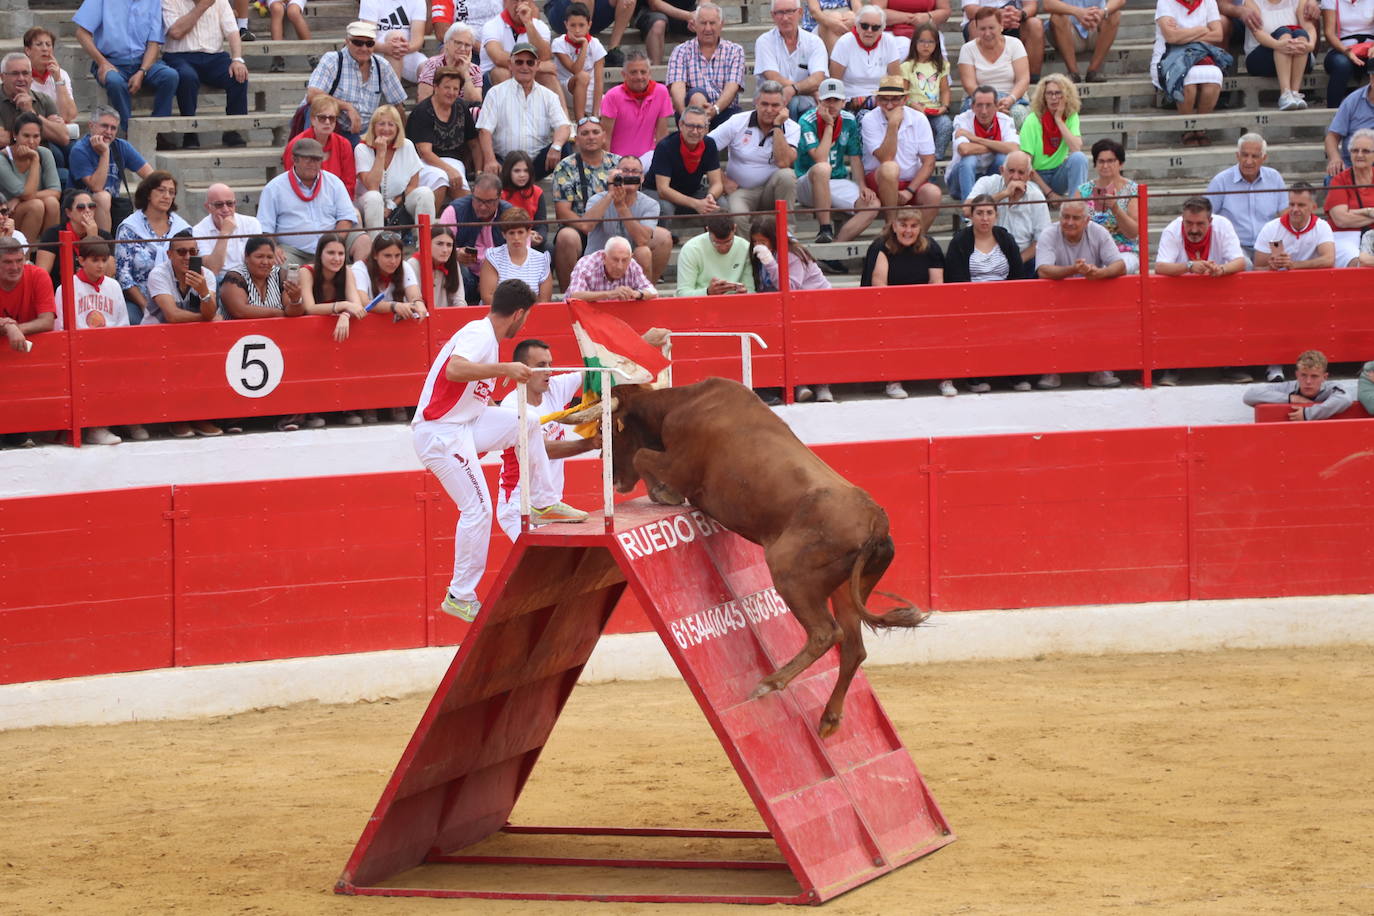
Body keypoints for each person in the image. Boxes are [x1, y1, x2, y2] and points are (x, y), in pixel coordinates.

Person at [413, 277, 588, 621]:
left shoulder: (486, 338)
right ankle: (460, 595)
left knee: (528, 421)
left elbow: (468, 391)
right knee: (478, 510)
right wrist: (503, 368)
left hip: (462, 426)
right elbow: (455, 369)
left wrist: (495, 398)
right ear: (519, 314)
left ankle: (542, 501)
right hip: (442, 433)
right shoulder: (480, 335)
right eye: (527, 318)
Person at [493, 338, 602, 542]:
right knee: (542, 562)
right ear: (522, 370)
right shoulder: (512, 405)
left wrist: (640, 343)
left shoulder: (554, 388)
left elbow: (599, 370)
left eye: (550, 364)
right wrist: (590, 443)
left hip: (549, 507)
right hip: (520, 505)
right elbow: (543, 449)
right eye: (541, 366)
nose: (549, 371)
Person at [1153, 197, 1245, 386]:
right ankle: (1172, 365)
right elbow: (1160, 267)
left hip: (1219, 287)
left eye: (1200, 224)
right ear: (1182, 219)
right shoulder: (1172, 229)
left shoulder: (1223, 225)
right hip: (1179, 294)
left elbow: (1240, 261)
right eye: (1189, 223)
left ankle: (1232, 364)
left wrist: (1222, 270)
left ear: (1210, 221)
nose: (1194, 229)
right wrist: (1189, 266)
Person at [1035, 197, 1126, 388]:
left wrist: (1101, 273)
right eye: (1065, 217)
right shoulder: (1049, 233)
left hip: (1092, 298)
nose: (1069, 222)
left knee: (1101, 314)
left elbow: (1119, 265)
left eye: (1076, 218)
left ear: (1086, 221)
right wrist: (1074, 270)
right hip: (1056, 299)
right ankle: (1052, 368)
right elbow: (1043, 270)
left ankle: (1099, 368)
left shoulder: (1098, 232)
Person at [861, 207, 944, 399]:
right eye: (903, 225)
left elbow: (937, 283)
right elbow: (878, 285)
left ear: (920, 227)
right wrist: (900, 310)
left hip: (924, 306)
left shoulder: (931, 246)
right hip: (889, 308)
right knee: (893, 327)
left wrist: (922, 309)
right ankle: (893, 380)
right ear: (894, 226)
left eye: (914, 226)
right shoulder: (881, 246)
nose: (908, 230)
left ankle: (944, 378)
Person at [944, 194, 1023, 393]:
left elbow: (1018, 274)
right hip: (970, 304)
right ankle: (976, 377)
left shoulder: (1005, 238)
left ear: (996, 215)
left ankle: (1016, 375)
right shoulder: (960, 241)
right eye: (979, 213)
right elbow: (955, 279)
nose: (984, 218)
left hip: (1005, 302)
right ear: (971, 216)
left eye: (989, 213)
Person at [52, 239, 129, 445]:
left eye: (104, 260)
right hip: (80, 350)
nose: (100, 265)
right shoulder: (66, 288)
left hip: (109, 348)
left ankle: (129, 420)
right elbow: (60, 327)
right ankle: (97, 428)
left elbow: (123, 323)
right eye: (95, 260)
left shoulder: (113, 286)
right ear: (81, 260)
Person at [748, 215, 831, 402]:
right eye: (755, 241)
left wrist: (769, 262)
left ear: (773, 239)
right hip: (790, 307)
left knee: (811, 342)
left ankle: (822, 385)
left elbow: (790, 288)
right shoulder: (760, 254)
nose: (758, 245)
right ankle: (799, 384)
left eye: (763, 241)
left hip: (816, 304)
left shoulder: (793, 253)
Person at [73, 0, 181, 137]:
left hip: (142, 61)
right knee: (115, 81)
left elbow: (154, 43)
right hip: (111, 60)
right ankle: (129, 132)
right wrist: (102, 62)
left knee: (170, 76)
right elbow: (81, 33)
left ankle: (157, 133)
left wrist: (142, 71)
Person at [795, 78, 881, 244]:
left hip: (836, 181)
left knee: (872, 204)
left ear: (844, 102)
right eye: (827, 100)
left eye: (836, 100)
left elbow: (855, 157)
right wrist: (829, 125)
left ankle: (835, 247)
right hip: (807, 183)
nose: (831, 104)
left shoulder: (849, 120)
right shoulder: (807, 120)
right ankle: (825, 229)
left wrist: (863, 186)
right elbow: (820, 158)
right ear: (819, 101)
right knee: (822, 168)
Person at [709, 81, 800, 231]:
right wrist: (722, 179)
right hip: (741, 190)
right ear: (756, 103)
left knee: (787, 175)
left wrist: (777, 126)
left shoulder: (792, 127)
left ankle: (786, 234)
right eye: (764, 104)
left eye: (775, 105)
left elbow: (784, 162)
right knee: (737, 215)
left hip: (772, 190)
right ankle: (747, 252)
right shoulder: (737, 122)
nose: (769, 110)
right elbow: (705, 148)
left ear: (784, 106)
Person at [258, 138, 365, 264]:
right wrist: (273, 248)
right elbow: (265, 228)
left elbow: (346, 218)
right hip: (293, 251)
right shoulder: (274, 187)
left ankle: (360, 281)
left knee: (363, 241)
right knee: (280, 266)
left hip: (334, 242)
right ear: (295, 159)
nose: (313, 163)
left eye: (317, 159)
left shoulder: (334, 182)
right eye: (308, 159)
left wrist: (333, 244)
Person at [475, 42, 572, 181]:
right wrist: (490, 160)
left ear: (537, 65)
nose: (524, 67)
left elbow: (563, 126)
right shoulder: (495, 93)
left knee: (564, 147)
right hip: (506, 163)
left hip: (538, 163)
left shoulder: (549, 96)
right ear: (510, 64)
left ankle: (568, 199)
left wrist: (556, 147)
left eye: (530, 62)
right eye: (519, 62)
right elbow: (484, 130)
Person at [161, 0, 250, 149]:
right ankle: (189, 132)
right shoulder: (169, 1)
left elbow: (232, 31)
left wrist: (237, 59)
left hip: (214, 56)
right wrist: (202, 6)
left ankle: (232, 129)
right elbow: (176, 32)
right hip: (179, 55)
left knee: (238, 74)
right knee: (187, 77)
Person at [861, 76, 942, 231]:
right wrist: (893, 124)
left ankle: (917, 238)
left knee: (934, 193)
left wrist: (909, 191)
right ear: (877, 100)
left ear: (905, 99)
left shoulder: (918, 118)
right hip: (880, 180)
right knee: (890, 168)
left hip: (911, 182)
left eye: (895, 100)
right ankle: (891, 226)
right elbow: (886, 158)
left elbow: (929, 162)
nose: (890, 105)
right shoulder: (869, 119)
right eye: (884, 99)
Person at [304, 21, 407, 141]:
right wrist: (347, 107)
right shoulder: (332, 60)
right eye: (358, 42)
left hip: (362, 133)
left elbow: (398, 104)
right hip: (331, 127)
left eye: (369, 43)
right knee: (317, 110)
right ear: (347, 41)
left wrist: (402, 140)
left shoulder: (382, 65)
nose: (364, 48)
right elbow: (313, 95)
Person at [551, 118, 622, 287]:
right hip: (581, 230)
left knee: (661, 238)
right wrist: (586, 225)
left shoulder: (619, 163)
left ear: (604, 136)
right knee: (566, 237)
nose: (591, 137)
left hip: (616, 227)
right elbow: (562, 212)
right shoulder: (565, 167)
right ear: (576, 140)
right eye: (585, 133)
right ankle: (568, 295)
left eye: (595, 132)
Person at [115, 170, 192, 326]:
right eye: (161, 190)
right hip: (139, 301)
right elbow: (123, 274)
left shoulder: (183, 229)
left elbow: (191, 267)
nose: (167, 196)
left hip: (177, 299)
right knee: (131, 321)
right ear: (148, 193)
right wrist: (145, 306)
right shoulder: (129, 228)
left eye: (171, 192)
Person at [580, 156, 673, 283]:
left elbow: (642, 240)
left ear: (642, 178)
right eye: (625, 171)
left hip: (629, 261)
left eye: (635, 172)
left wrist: (621, 207)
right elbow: (586, 227)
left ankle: (646, 293)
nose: (630, 175)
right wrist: (611, 194)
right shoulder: (597, 199)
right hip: (599, 260)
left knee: (644, 251)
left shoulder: (650, 204)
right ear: (615, 175)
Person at [354, 103, 437, 240]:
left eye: (391, 124)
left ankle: (424, 245)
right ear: (373, 127)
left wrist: (392, 205)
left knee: (425, 193)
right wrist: (381, 153)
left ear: (398, 128)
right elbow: (372, 186)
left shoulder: (407, 146)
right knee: (374, 197)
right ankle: (376, 246)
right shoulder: (362, 149)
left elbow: (413, 185)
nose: (386, 129)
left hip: (398, 203)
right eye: (381, 124)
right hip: (368, 203)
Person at [1152, 0, 1228, 147]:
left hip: (1199, 55)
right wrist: (1202, 29)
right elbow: (1171, 38)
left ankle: (1200, 129)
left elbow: (1218, 35)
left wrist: (1183, 35)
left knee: (1214, 77)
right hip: (1169, 57)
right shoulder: (1165, 2)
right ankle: (1187, 130)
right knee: (1187, 79)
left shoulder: (1208, 1)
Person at [67, 107, 154, 234]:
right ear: (91, 126)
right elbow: (96, 187)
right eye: (104, 126)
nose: (109, 132)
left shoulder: (121, 146)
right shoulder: (80, 150)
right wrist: (105, 153)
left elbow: (151, 176)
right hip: (81, 207)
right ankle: (105, 247)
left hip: (112, 205)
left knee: (157, 192)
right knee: (102, 197)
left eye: (113, 128)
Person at [967, 149, 1049, 277]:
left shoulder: (1036, 196)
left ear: (1030, 175)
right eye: (1011, 171)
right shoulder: (987, 183)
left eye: (1021, 172)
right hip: (981, 259)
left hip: (1021, 259)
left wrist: (1014, 262)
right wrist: (1004, 194)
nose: (1015, 177)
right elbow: (967, 210)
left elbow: (1041, 241)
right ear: (1001, 170)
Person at [1206, 132, 1287, 260]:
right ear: (1237, 156)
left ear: (1264, 158)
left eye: (1255, 156)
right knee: (1245, 266)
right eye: (1245, 155)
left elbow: (1285, 214)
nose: (1249, 161)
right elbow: (1206, 216)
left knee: (1283, 265)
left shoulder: (1274, 178)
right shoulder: (1221, 181)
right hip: (1235, 245)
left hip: (1271, 242)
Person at [410, 68, 478, 213]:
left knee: (460, 185)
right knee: (440, 179)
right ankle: (430, 229)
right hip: (424, 163)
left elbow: (474, 144)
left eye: (455, 88)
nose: (451, 92)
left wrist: (479, 172)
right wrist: (449, 170)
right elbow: (425, 152)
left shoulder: (461, 107)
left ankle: (465, 228)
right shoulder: (423, 111)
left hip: (455, 161)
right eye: (447, 87)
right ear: (435, 87)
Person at [666, 3, 746, 127]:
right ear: (694, 25)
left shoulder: (735, 51)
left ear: (721, 24)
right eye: (703, 23)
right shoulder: (680, 51)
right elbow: (677, 88)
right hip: (689, 113)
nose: (708, 28)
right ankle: (696, 128)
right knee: (697, 95)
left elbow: (732, 88)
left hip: (724, 112)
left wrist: (714, 110)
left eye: (712, 23)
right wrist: (685, 116)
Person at [645, 105, 724, 228]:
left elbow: (717, 183)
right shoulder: (665, 146)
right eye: (690, 126)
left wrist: (710, 197)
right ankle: (663, 242)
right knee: (664, 209)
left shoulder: (709, 144)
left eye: (699, 127)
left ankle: (713, 242)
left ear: (706, 129)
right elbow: (663, 190)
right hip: (656, 191)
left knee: (721, 205)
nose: (695, 131)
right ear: (681, 125)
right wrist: (696, 204)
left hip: (692, 191)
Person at [439, 172, 511, 302]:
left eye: (489, 202)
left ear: (500, 197)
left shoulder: (509, 213)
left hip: (500, 275)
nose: (482, 207)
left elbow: (522, 251)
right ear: (472, 193)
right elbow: (438, 244)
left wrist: (490, 278)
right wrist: (455, 254)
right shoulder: (455, 210)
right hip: (467, 274)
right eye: (478, 200)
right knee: (456, 267)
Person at [958, 6, 1031, 128]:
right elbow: (969, 84)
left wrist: (1009, 100)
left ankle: (1015, 147)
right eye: (982, 29)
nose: (987, 33)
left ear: (1001, 26)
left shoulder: (1015, 44)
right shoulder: (967, 49)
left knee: (1018, 114)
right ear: (976, 28)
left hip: (1012, 98)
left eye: (991, 28)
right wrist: (989, 104)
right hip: (978, 99)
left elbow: (1023, 80)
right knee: (972, 115)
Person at [756, 0, 829, 121]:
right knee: (794, 102)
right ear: (772, 16)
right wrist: (808, 90)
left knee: (800, 103)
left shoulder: (814, 42)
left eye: (790, 12)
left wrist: (793, 89)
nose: (785, 18)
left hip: (807, 101)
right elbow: (774, 78)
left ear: (800, 12)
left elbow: (818, 79)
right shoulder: (764, 41)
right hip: (772, 99)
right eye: (779, 12)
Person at [0, 52, 71, 176]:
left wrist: (30, 111)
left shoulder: (43, 100)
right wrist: (45, 129)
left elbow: (63, 138)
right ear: (2, 77)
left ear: (31, 76)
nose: (21, 78)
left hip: (41, 164)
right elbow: (2, 139)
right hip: (7, 166)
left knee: (65, 174)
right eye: (15, 74)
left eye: (26, 73)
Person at [1021, 74, 1089, 203]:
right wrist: (1050, 193)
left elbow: (1076, 147)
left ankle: (1076, 205)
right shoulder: (1032, 120)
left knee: (1079, 158)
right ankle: (1048, 200)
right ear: (1043, 97)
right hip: (1036, 177)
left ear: (1066, 96)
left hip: (1058, 174)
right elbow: (1026, 165)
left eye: (1058, 93)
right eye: (1049, 93)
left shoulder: (1071, 116)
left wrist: (1058, 119)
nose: (1053, 98)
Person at [946, 84, 1019, 203]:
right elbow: (964, 149)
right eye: (979, 105)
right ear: (972, 106)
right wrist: (999, 146)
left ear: (996, 106)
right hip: (960, 181)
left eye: (989, 105)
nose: (984, 111)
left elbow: (1014, 148)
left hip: (989, 181)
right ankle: (968, 212)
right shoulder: (962, 119)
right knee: (969, 159)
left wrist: (975, 139)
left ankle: (995, 207)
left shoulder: (1005, 121)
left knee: (1002, 159)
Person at [1076, 137, 1139, 273]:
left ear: (1120, 163)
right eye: (1101, 161)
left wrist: (1115, 208)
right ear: (1095, 164)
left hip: (1123, 249)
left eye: (1110, 161)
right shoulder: (1083, 191)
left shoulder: (1132, 190)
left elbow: (1133, 233)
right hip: (1091, 249)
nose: (1105, 166)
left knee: (1112, 268)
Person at [299, 234, 366, 362]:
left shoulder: (347, 271)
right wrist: (343, 306)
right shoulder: (306, 272)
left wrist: (345, 315)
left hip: (339, 341)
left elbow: (356, 306)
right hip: (308, 339)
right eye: (331, 253)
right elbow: (309, 308)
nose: (337, 258)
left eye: (341, 254)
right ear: (319, 254)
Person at [34, 189, 116, 292]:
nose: (87, 210)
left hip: (95, 293)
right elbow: (42, 274)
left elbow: (109, 273)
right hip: (61, 291)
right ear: (68, 213)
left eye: (91, 206)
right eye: (81, 207)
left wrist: (93, 238)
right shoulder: (53, 234)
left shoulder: (104, 236)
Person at [829, 5, 908, 111]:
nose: (869, 30)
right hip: (850, 103)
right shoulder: (844, 42)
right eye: (864, 26)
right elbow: (834, 82)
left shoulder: (888, 41)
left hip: (882, 102)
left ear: (882, 29)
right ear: (857, 25)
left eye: (875, 27)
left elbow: (896, 81)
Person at [1242, 0, 1317, 110]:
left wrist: (1310, 45)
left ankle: (1295, 93)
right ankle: (1285, 94)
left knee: (1300, 34)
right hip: (1261, 58)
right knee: (1284, 32)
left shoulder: (1299, 1)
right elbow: (1257, 32)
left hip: (1296, 58)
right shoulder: (1251, 2)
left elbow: (1309, 28)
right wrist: (1278, 44)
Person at [600, 50, 674, 159]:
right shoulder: (612, 96)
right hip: (618, 161)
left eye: (643, 72)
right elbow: (606, 138)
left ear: (649, 73)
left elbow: (661, 135)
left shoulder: (661, 92)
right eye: (633, 72)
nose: (639, 77)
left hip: (648, 160)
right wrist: (608, 166)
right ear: (624, 75)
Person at [1242, 349, 1354, 420]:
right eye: (1303, 375)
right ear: (1297, 375)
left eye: (1314, 376)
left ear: (1324, 377)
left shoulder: (1331, 388)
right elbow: (1250, 395)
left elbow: (1345, 399)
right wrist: (1289, 398)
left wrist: (1307, 414)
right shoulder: (1289, 387)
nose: (1308, 381)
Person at [284, 96, 359, 199]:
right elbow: (291, 182)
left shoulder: (344, 144)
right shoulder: (297, 144)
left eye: (332, 118)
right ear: (312, 119)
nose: (327, 122)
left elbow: (349, 183)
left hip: (336, 201)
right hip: (304, 200)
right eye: (322, 118)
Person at [0, 117, 61, 244]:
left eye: (36, 136)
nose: (31, 141)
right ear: (15, 135)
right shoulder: (2, 159)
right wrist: (34, 160)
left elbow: (55, 191)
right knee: (36, 205)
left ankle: (49, 253)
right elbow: (27, 193)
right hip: (7, 214)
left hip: (24, 205)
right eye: (26, 136)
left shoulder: (45, 153)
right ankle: (25, 256)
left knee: (52, 202)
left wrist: (20, 199)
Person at [145, 228, 219, 327]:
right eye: (181, 252)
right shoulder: (158, 274)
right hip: (156, 332)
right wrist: (206, 319)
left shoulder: (206, 275)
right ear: (169, 254)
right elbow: (172, 316)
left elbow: (210, 313)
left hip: (193, 333)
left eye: (192, 252)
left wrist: (204, 292)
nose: (188, 257)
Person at [1254, 183, 1335, 273]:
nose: (1295, 209)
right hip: (1279, 282)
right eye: (1292, 204)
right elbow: (1257, 268)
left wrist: (1294, 265)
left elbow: (1329, 260)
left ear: (1314, 207)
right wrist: (1271, 267)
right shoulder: (1271, 228)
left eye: (1301, 205)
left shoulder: (1322, 226)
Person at [899, 23, 953, 159]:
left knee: (946, 125)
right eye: (922, 41)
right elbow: (903, 93)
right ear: (914, 43)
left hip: (935, 111)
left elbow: (945, 90)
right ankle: (917, 158)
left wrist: (944, 107)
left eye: (930, 42)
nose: (926, 45)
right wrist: (912, 105)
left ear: (936, 44)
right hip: (914, 111)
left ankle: (936, 157)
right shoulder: (907, 66)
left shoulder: (941, 65)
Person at [191, 183, 262, 282]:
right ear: (208, 207)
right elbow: (213, 269)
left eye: (229, 203)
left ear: (235, 203)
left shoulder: (252, 223)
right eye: (219, 205)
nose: (225, 209)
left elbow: (257, 262)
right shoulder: (198, 231)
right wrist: (224, 233)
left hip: (248, 277)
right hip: (218, 281)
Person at [480, 0, 557, 91]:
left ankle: (559, 106)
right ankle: (512, 105)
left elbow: (544, 56)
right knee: (502, 72)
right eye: (515, 0)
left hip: (527, 76)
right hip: (492, 81)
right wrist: (537, 66)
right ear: (505, 3)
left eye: (524, 0)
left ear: (532, 3)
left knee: (548, 76)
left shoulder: (540, 26)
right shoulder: (491, 26)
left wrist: (528, 23)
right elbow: (498, 58)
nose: (520, 5)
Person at [1324, 127, 1374, 267]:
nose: (1359, 155)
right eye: (1355, 150)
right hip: (1345, 236)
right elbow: (1341, 220)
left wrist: (1354, 213)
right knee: (1358, 261)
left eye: (1365, 151)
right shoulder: (1339, 180)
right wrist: (1370, 211)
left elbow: (1346, 215)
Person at [961, 0, 1045, 81]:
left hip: (1014, 20)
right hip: (983, 21)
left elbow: (1031, 6)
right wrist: (996, 17)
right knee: (975, 26)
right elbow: (971, 10)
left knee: (1035, 24)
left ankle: (1030, 81)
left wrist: (1019, 14)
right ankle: (984, 80)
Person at [480, 208, 553, 302]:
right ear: (503, 234)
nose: (516, 238)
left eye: (520, 232)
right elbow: (487, 297)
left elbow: (544, 301)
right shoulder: (493, 257)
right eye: (511, 233)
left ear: (528, 233)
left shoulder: (542, 260)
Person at [551, 3, 607, 122]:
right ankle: (580, 122)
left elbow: (599, 81)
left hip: (590, 92)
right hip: (566, 90)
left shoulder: (596, 44)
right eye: (573, 25)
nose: (577, 30)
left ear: (589, 25)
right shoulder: (558, 43)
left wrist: (595, 113)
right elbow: (576, 70)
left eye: (581, 25)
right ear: (566, 25)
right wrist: (584, 45)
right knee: (582, 76)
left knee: (613, 103)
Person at [0, 236, 55, 355]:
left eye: (19, 260)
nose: (15, 267)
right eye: (8, 262)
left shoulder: (38, 276)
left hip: (35, 353)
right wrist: (8, 327)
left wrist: (15, 329)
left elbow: (47, 321)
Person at [675, 215, 754, 298]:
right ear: (707, 230)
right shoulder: (691, 249)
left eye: (728, 242)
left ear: (734, 228)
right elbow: (682, 294)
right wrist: (708, 292)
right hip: (700, 305)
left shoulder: (745, 247)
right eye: (716, 243)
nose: (723, 248)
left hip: (735, 304)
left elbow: (751, 290)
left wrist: (745, 293)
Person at [1044, 0, 1123, 82]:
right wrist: (1077, 12)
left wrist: (1102, 12)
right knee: (1057, 18)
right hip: (1068, 33)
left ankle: (1093, 71)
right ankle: (1073, 73)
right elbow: (1048, 4)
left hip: (1095, 28)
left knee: (1114, 14)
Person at [565, 234, 658, 299]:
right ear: (604, 257)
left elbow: (653, 292)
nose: (620, 266)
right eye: (615, 260)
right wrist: (611, 294)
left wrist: (637, 294)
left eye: (625, 260)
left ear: (630, 258)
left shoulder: (632, 264)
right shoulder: (586, 265)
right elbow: (575, 295)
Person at [1321, 0, 1374, 110]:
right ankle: (1333, 113)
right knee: (1342, 64)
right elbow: (1329, 33)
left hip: (1370, 48)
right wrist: (1346, 51)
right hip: (1341, 48)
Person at [23, 27, 80, 126]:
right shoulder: (21, 76)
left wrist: (58, 80)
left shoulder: (61, 74)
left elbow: (69, 115)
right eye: (39, 44)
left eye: (48, 45)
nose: (45, 49)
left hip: (59, 133)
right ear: (28, 50)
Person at [361, 0, 428, 83]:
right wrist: (387, 48)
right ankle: (393, 95)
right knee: (396, 38)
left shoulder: (417, 1)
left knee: (429, 70)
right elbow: (367, 39)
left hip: (407, 51)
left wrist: (401, 47)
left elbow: (417, 40)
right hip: (376, 52)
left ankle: (424, 96)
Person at [416, 23, 483, 105]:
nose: (462, 48)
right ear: (446, 43)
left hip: (463, 115)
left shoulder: (475, 70)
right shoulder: (433, 64)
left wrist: (465, 73)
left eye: (467, 45)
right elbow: (424, 100)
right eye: (458, 43)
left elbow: (476, 102)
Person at [1325, 71, 1374, 178]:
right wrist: (1335, 158)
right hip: (1352, 163)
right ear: (1371, 77)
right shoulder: (1352, 100)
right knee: (1333, 177)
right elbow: (1332, 137)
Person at [406, 224, 466, 308]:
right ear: (427, 243)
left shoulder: (453, 263)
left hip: (447, 318)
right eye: (439, 244)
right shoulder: (413, 264)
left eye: (449, 245)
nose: (445, 250)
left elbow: (459, 300)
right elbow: (412, 301)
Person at [500, 150, 548, 246]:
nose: (522, 175)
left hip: (531, 240)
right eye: (517, 171)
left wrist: (539, 237)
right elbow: (497, 228)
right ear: (508, 171)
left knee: (548, 249)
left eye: (526, 170)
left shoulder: (537, 192)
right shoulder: (500, 193)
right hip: (506, 240)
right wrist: (523, 236)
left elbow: (542, 224)